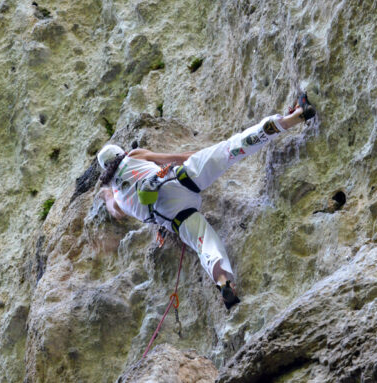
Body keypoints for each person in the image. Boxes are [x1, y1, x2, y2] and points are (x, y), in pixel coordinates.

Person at [97, 94, 316, 310]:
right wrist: (204, 154)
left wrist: (106, 193)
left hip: (173, 214)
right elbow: (176, 158)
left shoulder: (116, 198)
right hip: (179, 180)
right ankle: (292, 118)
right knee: (231, 149)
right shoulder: (133, 156)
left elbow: (116, 213)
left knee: (206, 245)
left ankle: (223, 282)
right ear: (120, 154)